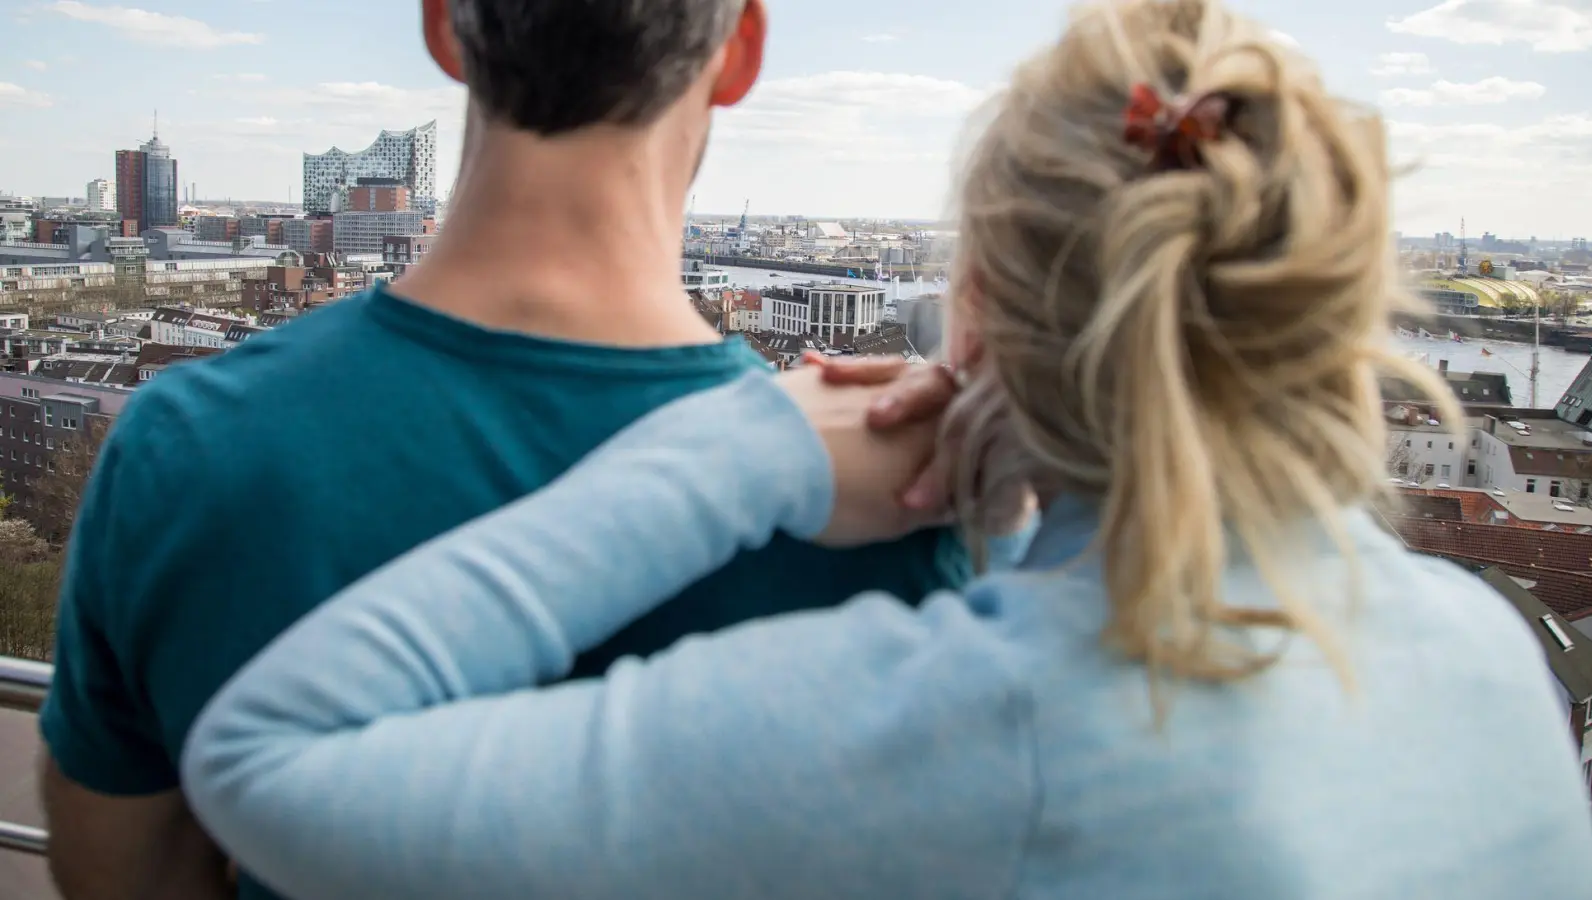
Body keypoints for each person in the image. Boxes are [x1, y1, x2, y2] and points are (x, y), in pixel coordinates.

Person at [182, 1, 1592, 898]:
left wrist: (737, 457)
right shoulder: (1487, 656)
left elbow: (263, 757)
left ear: (974, 313)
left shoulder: (942, 719)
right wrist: (1002, 522)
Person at [36, 2, 972, 898]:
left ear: (444, 25)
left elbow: (121, 869)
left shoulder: (185, 448)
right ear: (740, 52)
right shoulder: (910, 492)